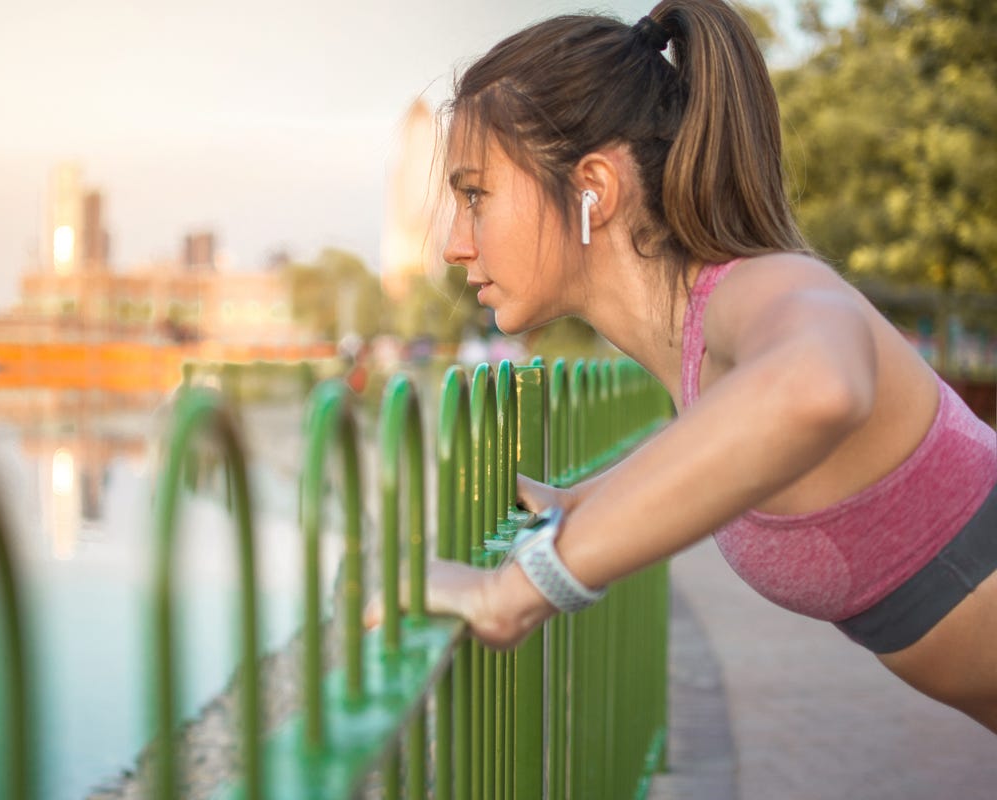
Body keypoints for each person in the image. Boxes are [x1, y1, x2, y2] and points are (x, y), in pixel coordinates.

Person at [407, 0, 997, 732]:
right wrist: (579, 503)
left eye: (475, 195)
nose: (455, 244)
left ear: (593, 186)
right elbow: (727, 442)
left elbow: (819, 385)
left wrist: (522, 590)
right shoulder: (703, 343)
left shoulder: (760, 286)